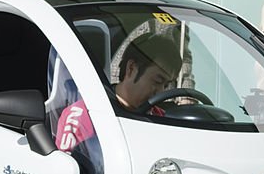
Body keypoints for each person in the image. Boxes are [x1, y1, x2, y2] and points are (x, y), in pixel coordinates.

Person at [55, 33, 183, 151]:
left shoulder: (160, 118)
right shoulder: (83, 116)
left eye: (166, 85)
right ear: (131, 68)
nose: (160, 92)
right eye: (157, 81)